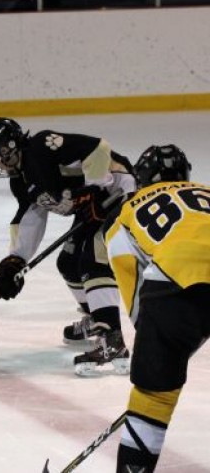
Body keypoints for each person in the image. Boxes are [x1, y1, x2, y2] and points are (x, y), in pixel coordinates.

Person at [0, 117, 136, 375]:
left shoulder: (42, 146)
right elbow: (31, 215)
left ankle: (112, 339)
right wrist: (14, 261)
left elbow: (98, 148)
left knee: (93, 258)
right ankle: (96, 317)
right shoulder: (20, 180)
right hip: (93, 207)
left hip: (118, 193)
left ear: (10, 147)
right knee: (69, 262)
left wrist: (98, 189)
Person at [104, 144, 209, 472]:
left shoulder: (125, 212)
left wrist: (159, 354)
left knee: (154, 396)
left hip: (175, 282)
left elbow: (135, 290)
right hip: (186, 281)